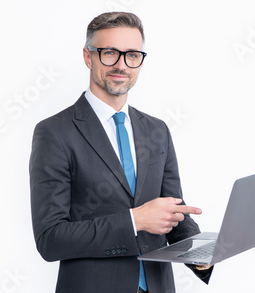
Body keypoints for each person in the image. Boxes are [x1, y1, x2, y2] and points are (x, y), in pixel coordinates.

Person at [30, 12, 213, 293]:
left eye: (132, 55)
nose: (121, 65)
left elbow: (172, 210)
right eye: (109, 53)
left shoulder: (157, 129)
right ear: (88, 57)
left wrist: (201, 253)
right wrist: (134, 220)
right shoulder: (54, 133)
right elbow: (50, 239)